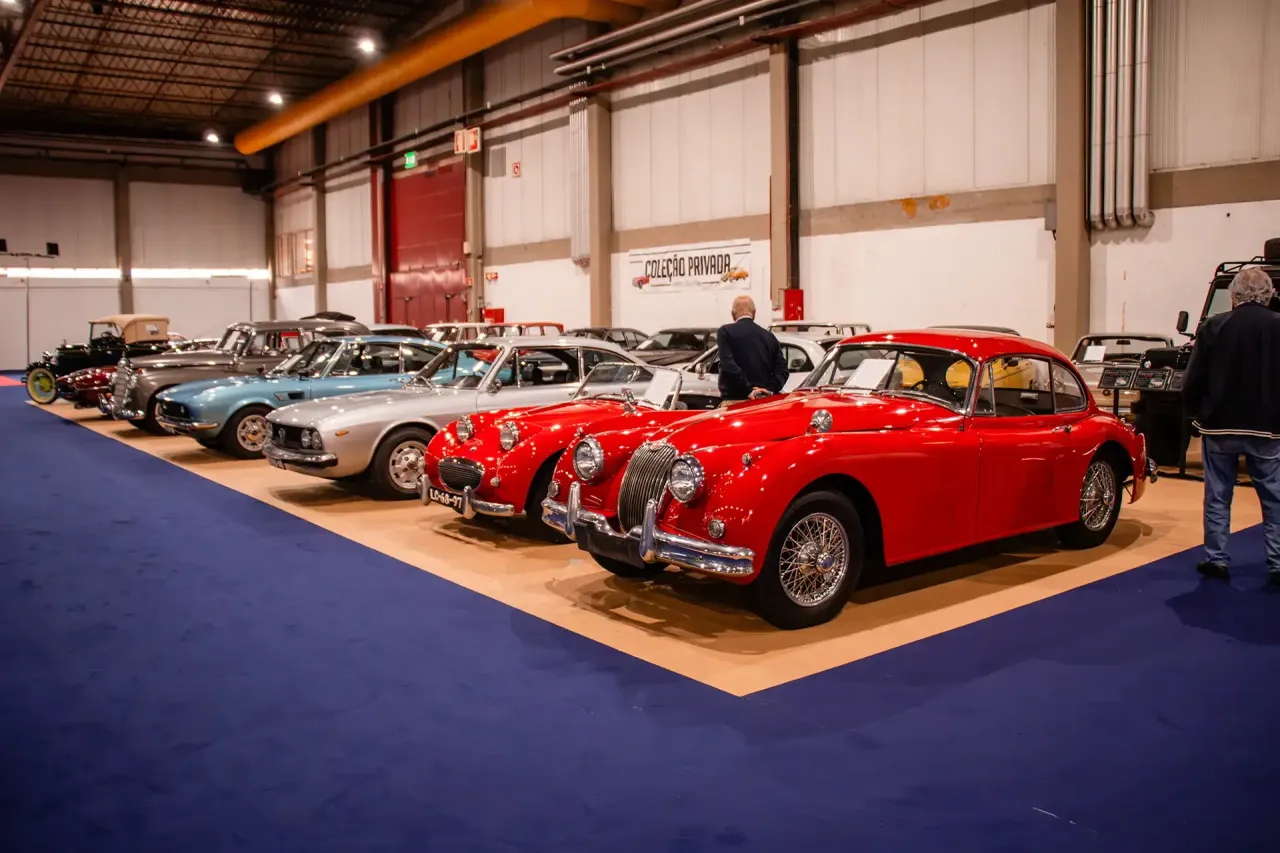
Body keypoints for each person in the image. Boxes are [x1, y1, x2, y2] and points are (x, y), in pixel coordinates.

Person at [1182, 265, 1280, 585]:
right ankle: (1278, 561)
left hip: (1219, 426)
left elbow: (1194, 378)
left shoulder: (1213, 326)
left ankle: (1217, 559)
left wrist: (1196, 415)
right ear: (1269, 295)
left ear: (1234, 295)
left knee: (1218, 495)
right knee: (1274, 498)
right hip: (1267, 427)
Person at [715, 295, 788, 403]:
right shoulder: (769, 336)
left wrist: (748, 390)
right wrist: (769, 389)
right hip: (764, 402)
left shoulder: (725, 332)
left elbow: (728, 364)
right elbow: (782, 369)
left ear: (733, 314)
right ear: (754, 312)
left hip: (735, 402)